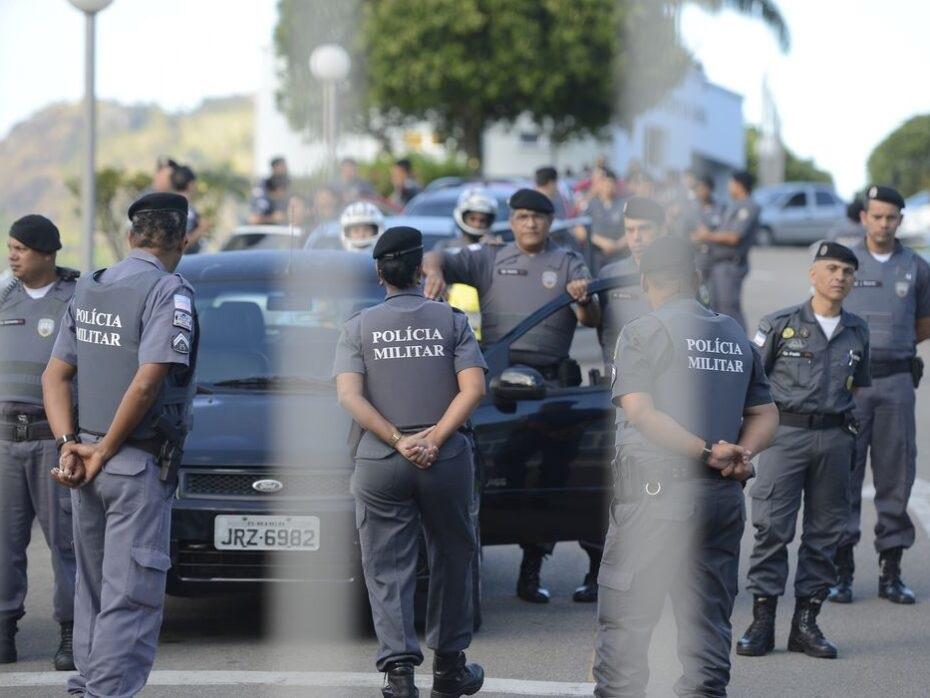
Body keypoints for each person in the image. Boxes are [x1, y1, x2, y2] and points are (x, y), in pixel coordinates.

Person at [594, 236, 778, 697]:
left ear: (644, 281)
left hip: (659, 498)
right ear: (696, 281)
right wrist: (741, 455)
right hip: (721, 497)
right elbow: (765, 413)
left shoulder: (642, 332)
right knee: (707, 622)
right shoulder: (735, 334)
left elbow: (641, 412)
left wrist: (703, 451)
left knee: (627, 620)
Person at [43, 192, 199, 698]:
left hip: (82, 461)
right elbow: (148, 380)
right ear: (181, 240)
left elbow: (55, 375)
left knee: (93, 588)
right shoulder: (168, 290)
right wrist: (107, 447)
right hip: (130, 461)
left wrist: (71, 444)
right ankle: (107, 692)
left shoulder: (90, 286)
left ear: (131, 237)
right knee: (131, 591)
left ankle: (89, 682)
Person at [422, 188, 600, 604]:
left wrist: (584, 298)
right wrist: (434, 272)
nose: (530, 224)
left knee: (569, 474)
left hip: (553, 383)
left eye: (537, 217)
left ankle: (590, 570)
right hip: (501, 380)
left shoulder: (568, 261)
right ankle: (525, 566)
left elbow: (590, 318)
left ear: (550, 221)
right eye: (521, 217)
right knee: (511, 473)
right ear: (513, 220)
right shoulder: (491, 256)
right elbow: (438, 256)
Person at [334, 225, 486, 698]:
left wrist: (400, 440)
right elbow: (474, 389)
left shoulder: (357, 326)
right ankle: (449, 668)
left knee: (386, 566)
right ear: (421, 269)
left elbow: (349, 397)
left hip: (381, 460)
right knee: (454, 558)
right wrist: (435, 439)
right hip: (445, 459)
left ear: (379, 272)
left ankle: (399, 675)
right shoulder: (452, 321)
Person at [738, 242, 869, 660]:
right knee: (772, 529)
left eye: (848, 271)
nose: (839, 277)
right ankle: (762, 622)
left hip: (834, 439)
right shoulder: (780, 324)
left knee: (824, 535)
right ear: (813, 274)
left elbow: (858, 387)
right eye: (832, 268)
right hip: (785, 435)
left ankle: (807, 625)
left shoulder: (858, 330)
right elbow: (752, 382)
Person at [830, 185, 930, 606]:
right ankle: (842, 572)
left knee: (895, 475)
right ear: (864, 218)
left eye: (891, 217)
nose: (884, 224)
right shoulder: (844, 263)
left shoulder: (916, 266)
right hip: (851, 385)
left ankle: (891, 571)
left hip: (895, 385)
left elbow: (924, 321)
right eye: (877, 216)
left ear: (900, 221)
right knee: (843, 476)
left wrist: (896, 348)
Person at [0, 215, 78, 670]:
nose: (12, 255)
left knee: (65, 542)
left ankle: (70, 634)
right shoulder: (2, 295)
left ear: (47, 253)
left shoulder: (77, 298)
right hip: (5, 438)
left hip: (52, 438)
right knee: (5, 543)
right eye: (10, 247)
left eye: (20, 249)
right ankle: (5, 630)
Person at [597, 197, 666, 367]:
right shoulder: (610, 275)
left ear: (662, 230)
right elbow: (600, 326)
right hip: (620, 375)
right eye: (630, 230)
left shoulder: (681, 274)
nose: (636, 238)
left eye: (644, 229)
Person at [691, 170, 760, 329]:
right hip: (718, 264)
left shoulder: (748, 206)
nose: (729, 187)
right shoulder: (735, 205)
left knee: (729, 310)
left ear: (739, 185)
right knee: (716, 308)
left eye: (731, 183)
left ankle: (741, 347)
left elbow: (734, 237)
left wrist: (707, 235)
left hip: (730, 265)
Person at [438, 188, 501, 339]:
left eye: (482, 220)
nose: (477, 224)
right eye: (473, 218)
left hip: (488, 332)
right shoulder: (446, 247)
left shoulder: (496, 247)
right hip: (453, 328)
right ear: (462, 216)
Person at [574, 168, 627, 271]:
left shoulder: (623, 203)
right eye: (606, 183)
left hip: (619, 255)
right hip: (597, 256)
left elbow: (632, 227)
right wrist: (600, 241)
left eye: (612, 183)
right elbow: (579, 230)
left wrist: (617, 245)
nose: (609, 187)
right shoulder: (591, 204)